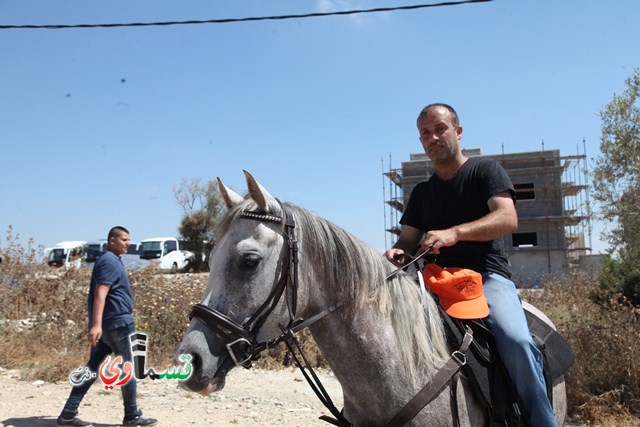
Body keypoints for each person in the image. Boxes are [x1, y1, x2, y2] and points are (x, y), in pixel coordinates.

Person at [384, 103, 556, 426]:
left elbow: (508, 217)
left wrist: (455, 233)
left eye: (440, 129)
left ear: (458, 132)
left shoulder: (485, 172)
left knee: (516, 341)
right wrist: (397, 254)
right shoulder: (421, 193)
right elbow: (406, 242)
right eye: (425, 133)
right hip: (434, 280)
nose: (433, 137)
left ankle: (541, 421)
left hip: (486, 277)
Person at [57, 226, 157, 427]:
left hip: (109, 325)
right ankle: (132, 415)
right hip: (118, 324)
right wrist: (95, 325)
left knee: (92, 368)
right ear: (112, 240)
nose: (128, 243)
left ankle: (68, 413)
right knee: (128, 368)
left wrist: (98, 325)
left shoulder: (110, 260)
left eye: (128, 240)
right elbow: (100, 294)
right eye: (124, 240)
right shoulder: (109, 262)